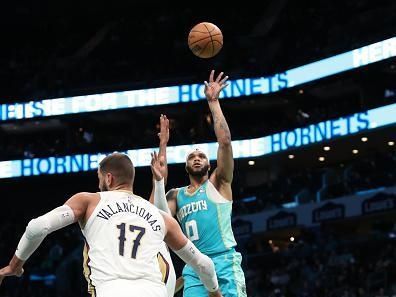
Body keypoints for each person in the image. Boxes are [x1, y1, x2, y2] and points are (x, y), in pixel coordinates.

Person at [0, 152, 222, 297]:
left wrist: (14, 265)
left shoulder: (89, 201)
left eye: (99, 178)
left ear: (108, 179)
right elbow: (204, 265)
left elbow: (37, 227)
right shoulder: (160, 217)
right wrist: (215, 293)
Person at [153, 70, 247, 297]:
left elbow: (224, 142)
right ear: (186, 167)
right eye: (192, 157)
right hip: (194, 268)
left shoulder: (219, 182)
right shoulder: (175, 195)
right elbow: (157, 213)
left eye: (202, 156)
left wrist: (213, 102)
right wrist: (162, 148)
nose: (197, 158)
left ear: (208, 164)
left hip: (224, 260)